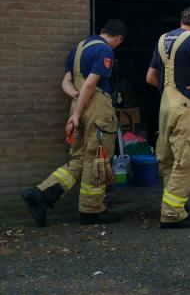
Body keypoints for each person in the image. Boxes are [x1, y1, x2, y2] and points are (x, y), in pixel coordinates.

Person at [22, 19, 128, 226]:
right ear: (119, 39)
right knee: (98, 159)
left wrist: (77, 101)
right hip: (97, 111)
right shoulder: (105, 50)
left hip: (78, 105)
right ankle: (92, 211)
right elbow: (91, 83)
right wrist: (78, 113)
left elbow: (66, 81)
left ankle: (41, 194)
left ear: (102, 30)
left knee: (79, 157)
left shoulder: (78, 48)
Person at [146, 7, 190, 228]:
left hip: (165, 106)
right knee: (189, 160)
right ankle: (172, 214)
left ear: (181, 20)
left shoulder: (162, 39)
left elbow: (150, 77)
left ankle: (175, 206)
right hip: (185, 107)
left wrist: (168, 93)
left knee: (169, 160)